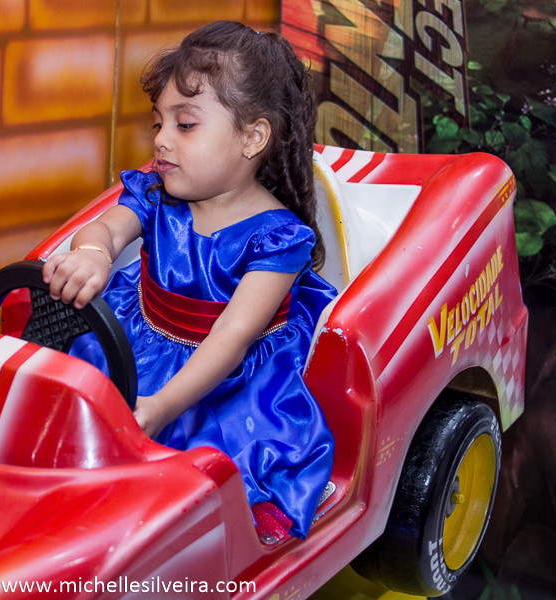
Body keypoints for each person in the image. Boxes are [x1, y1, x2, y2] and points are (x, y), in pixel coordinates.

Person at [41, 21, 335, 541]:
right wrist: (93, 253)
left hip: (226, 382)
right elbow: (108, 226)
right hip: (137, 341)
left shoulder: (277, 240)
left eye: (185, 124)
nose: (160, 140)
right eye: (159, 123)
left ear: (252, 138)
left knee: (217, 477)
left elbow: (232, 337)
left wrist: (162, 407)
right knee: (61, 422)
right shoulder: (157, 195)